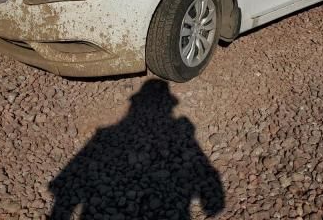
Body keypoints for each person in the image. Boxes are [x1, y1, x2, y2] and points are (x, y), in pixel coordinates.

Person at [49, 79, 224, 219]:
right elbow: (204, 172)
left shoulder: (104, 136)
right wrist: (211, 200)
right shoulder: (181, 133)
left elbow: (67, 181)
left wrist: (60, 212)